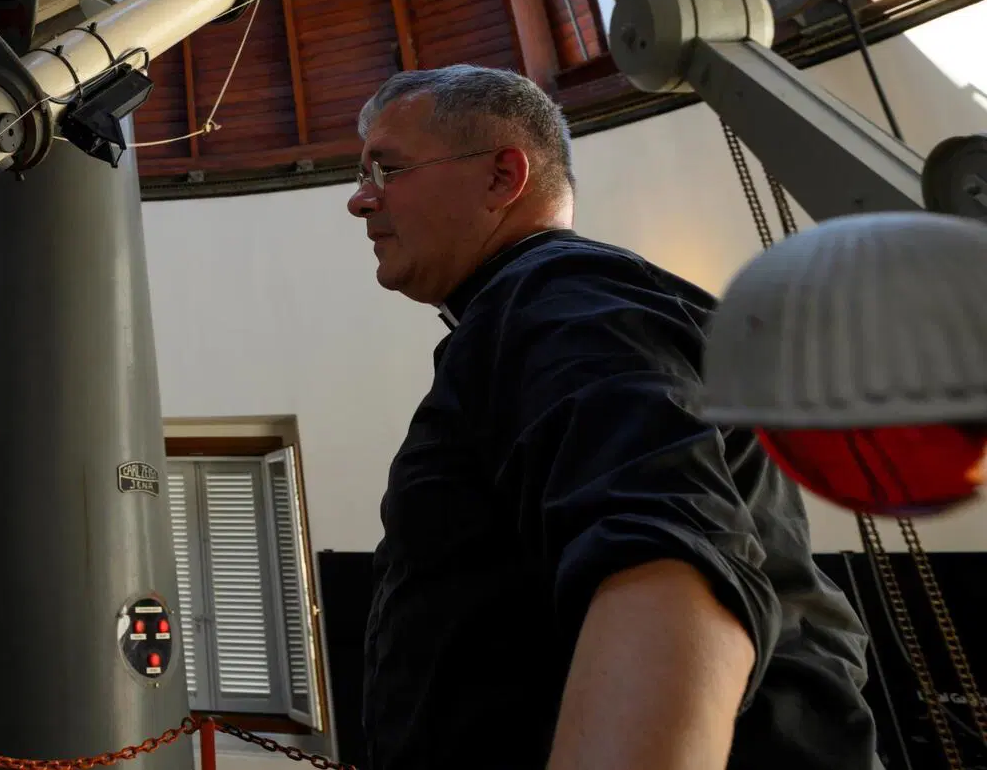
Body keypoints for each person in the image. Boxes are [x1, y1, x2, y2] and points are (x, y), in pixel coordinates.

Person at [347, 66, 875, 770]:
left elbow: (669, 562)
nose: (359, 199)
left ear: (504, 176)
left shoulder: (556, 297)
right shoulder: (532, 312)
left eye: (387, 168)